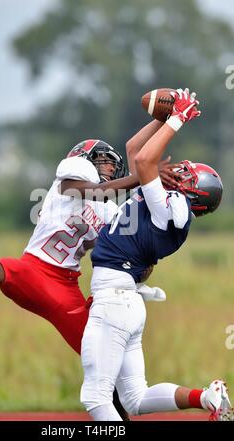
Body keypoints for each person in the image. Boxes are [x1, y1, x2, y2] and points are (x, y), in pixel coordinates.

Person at [0, 136, 178, 418]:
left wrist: (149, 251)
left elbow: (122, 242)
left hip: (66, 288)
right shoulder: (74, 177)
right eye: (105, 161)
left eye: (114, 166)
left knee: (104, 366)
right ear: (84, 157)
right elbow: (97, 190)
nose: (110, 169)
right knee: (3, 268)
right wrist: (142, 177)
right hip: (36, 268)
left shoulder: (110, 211)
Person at [80, 88, 233, 421]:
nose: (180, 172)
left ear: (194, 194)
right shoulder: (170, 205)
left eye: (187, 176)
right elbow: (137, 152)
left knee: (95, 397)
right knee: (134, 398)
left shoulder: (171, 209)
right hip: (126, 301)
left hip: (114, 300)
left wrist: (178, 117)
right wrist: (161, 118)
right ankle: (207, 397)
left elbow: (145, 162)